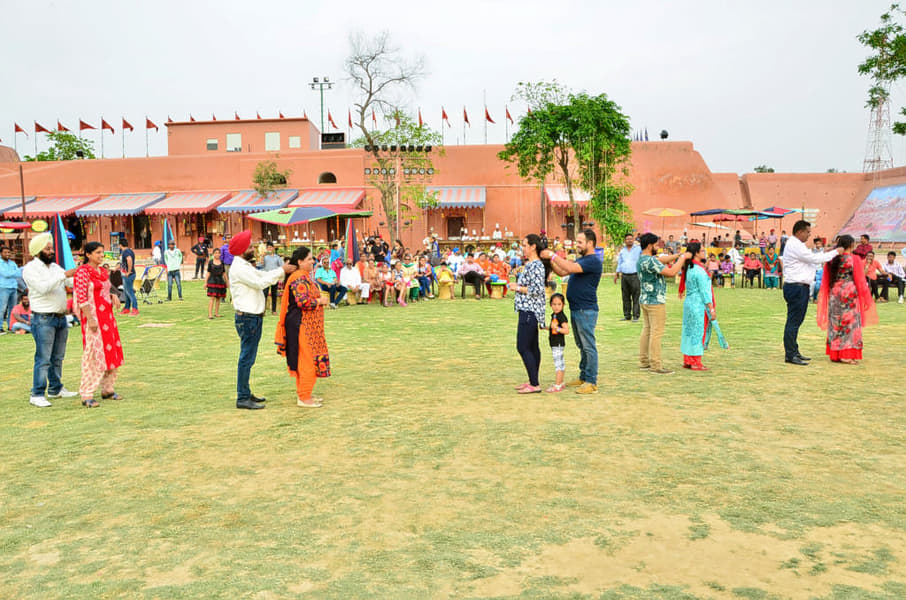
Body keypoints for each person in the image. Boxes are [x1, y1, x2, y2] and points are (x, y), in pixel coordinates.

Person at [228, 230, 296, 410]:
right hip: (248, 317)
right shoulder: (239, 268)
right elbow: (260, 283)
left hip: (252, 317)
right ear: (243, 250)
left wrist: (280, 270)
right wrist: (282, 270)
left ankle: (245, 392)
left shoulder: (244, 265)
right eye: (249, 246)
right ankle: (242, 397)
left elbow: (261, 277)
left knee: (248, 357)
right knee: (246, 358)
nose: (253, 249)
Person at [542, 229, 603, 395]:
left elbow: (568, 266)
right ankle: (584, 376)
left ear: (590, 243)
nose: (577, 245)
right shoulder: (583, 260)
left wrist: (553, 255)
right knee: (581, 345)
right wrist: (549, 262)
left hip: (586, 310)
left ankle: (591, 381)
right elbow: (563, 271)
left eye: (580, 242)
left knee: (588, 346)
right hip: (577, 308)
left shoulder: (592, 260)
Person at [21, 233, 79, 407]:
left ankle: (55, 388)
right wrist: (64, 276)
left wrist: (79, 274)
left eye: (51, 248)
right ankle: (37, 393)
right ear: (37, 251)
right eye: (47, 248)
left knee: (58, 357)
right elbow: (43, 288)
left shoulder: (54, 267)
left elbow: (69, 282)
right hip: (43, 318)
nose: (51, 251)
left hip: (61, 318)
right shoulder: (30, 269)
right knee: (43, 358)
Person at [780, 220, 843, 366]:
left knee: (796, 321)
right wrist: (834, 252)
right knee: (793, 322)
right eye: (808, 232)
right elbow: (814, 259)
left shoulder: (798, 245)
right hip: (796, 287)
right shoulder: (795, 244)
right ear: (800, 232)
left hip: (799, 287)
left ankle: (794, 351)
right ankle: (790, 354)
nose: (809, 235)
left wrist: (825, 254)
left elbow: (813, 262)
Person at [275, 246, 331, 408]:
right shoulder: (299, 278)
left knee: (305, 359)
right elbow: (303, 301)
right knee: (306, 360)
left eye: (312, 258)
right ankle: (304, 397)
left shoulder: (303, 276)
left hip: (307, 325)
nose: (313, 261)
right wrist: (320, 301)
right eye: (309, 259)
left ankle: (304, 393)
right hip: (301, 325)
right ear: (300, 262)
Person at [74, 242, 124, 407]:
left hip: (107, 318)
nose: (101, 256)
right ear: (88, 255)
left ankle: (107, 389)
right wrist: (90, 318)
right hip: (93, 319)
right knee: (93, 355)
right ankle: (86, 394)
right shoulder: (82, 272)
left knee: (111, 352)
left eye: (102, 253)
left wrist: (112, 296)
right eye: (98, 253)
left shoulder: (102, 271)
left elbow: (103, 289)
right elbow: (81, 297)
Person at [817, 235, 878, 364]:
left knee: (836, 323)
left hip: (835, 292)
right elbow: (861, 280)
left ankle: (836, 354)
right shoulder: (853, 259)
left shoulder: (832, 259)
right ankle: (846, 354)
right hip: (849, 293)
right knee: (850, 324)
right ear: (850, 244)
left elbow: (827, 279)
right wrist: (866, 298)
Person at [637, 233, 688, 375]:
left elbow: (661, 260)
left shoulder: (643, 259)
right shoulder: (651, 261)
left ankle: (644, 361)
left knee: (647, 330)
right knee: (656, 333)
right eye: (656, 245)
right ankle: (656, 365)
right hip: (655, 301)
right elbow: (671, 272)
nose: (658, 247)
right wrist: (682, 259)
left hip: (645, 299)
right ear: (650, 245)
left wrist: (677, 255)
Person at [509, 234, 548, 394]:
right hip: (527, 309)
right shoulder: (531, 264)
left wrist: (517, 288)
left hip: (530, 310)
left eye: (524, 245)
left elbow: (537, 290)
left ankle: (535, 384)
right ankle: (533, 380)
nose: (522, 248)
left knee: (523, 346)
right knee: (532, 347)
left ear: (533, 246)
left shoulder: (536, 265)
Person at [678, 242, 715, 371]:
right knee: (698, 331)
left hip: (689, 302)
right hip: (698, 304)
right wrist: (711, 308)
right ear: (697, 253)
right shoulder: (699, 271)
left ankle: (687, 359)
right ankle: (695, 361)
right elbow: (705, 292)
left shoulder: (689, 268)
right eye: (702, 251)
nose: (704, 253)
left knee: (689, 331)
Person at [614, 233, 641, 321]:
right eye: (627, 239)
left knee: (636, 296)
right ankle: (627, 315)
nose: (629, 240)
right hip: (624, 276)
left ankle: (636, 316)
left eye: (631, 239)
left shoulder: (638, 249)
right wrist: (617, 273)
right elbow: (620, 262)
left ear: (633, 240)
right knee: (625, 296)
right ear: (625, 241)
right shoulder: (623, 251)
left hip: (635, 275)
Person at [546, 293, 569, 393]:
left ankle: (558, 385)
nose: (556, 306)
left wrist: (557, 328)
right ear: (550, 304)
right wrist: (546, 327)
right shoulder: (554, 315)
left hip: (558, 344)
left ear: (563, 305)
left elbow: (566, 330)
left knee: (558, 364)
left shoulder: (561, 316)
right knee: (561, 363)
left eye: (559, 304)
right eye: (554, 304)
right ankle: (561, 382)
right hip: (554, 343)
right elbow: (553, 328)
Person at [0, 245, 22, 334]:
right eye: (5, 252)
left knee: (12, 309)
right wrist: (14, 273)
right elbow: (6, 274)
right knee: (2, 308)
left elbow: (19, 274)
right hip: (3, 287)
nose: (7, 254)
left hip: (14, 287)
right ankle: (0, 327)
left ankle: (10, 326)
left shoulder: (12, 263)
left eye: (8, 252)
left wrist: (12, 273)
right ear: (1, 253)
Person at [261, 242, 283, 314]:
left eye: (271, 247)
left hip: (274, 277)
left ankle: (274, 310)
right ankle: (263, 310)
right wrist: (262, 257)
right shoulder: (265, 257)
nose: (269, 249)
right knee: (265, 293)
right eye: (268, 248)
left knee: (274, 293)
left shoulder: (277, 257)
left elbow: (281, 265)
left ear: (273, 248)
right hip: (266, 276)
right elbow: (261, 264)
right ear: (266, 248)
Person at [118, 237, 138, 316]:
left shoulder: (125, 252)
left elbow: (129, 260)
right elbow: (123, 263)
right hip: (126, 274)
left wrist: (128, 271)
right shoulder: (129, 251)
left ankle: (135, 308)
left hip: (128, 275)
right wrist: (116, 268)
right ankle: (126, 308)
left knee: (130, 292)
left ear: (120, 245)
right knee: (126, 292)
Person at [206, 247, 228, 319]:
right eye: (216, 253)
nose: (217, 254)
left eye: (219, 253)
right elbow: (208, 273)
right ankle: (210, 314)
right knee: (212, 298)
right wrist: (205, 282)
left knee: (218, 298)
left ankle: (216, 313)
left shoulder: (222, 263)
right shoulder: (211, 262)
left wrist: (227, 282)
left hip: (220, 281)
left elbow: (224, 273)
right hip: (212, 281)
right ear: (213, 254)